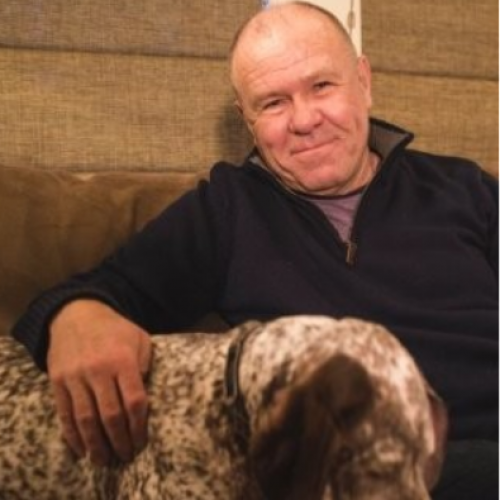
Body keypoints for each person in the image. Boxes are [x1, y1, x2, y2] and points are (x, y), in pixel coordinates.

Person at [12, 2, 498, 498]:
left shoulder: (464, 188)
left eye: (322, 86)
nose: (304, 119)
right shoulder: (226, 211)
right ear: (247, 120)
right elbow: (101, 290)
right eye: (273, 103)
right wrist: (74, 315)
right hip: (373, 471)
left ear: (363, 82)